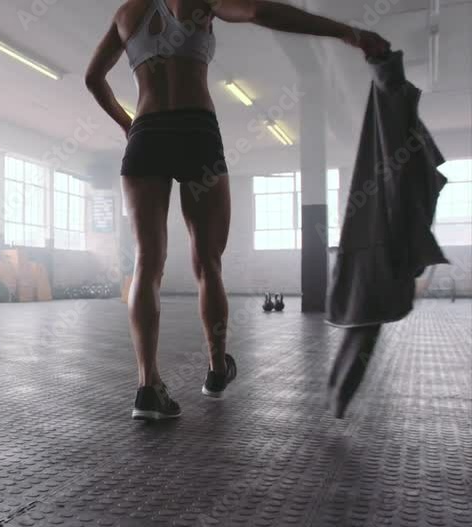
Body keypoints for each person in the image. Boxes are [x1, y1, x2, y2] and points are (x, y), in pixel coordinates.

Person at [85, 0, 390, 421]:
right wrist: (347, 32)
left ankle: (147, 387)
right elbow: (263, 12)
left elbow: (93, 77)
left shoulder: (127, 13)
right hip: (196, 130)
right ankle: (215, 369)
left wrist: (126, 122)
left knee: (146, 264)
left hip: (146, 135)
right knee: (208, 263)